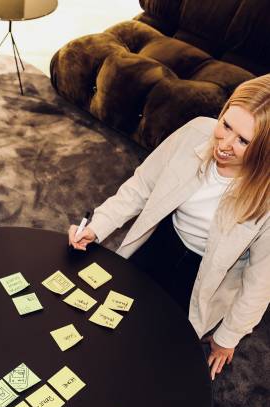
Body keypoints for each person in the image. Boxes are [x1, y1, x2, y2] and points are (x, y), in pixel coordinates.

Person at [67, 74, 270, 381]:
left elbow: (260, 280)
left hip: (206, 277)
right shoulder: (197, 131)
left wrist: (229, 335)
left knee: (153, 357)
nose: (225, 145)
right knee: (103, 322)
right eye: (226, 125)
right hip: (163, 240)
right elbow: (142, 186)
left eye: (243, 141)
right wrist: (97, 226)